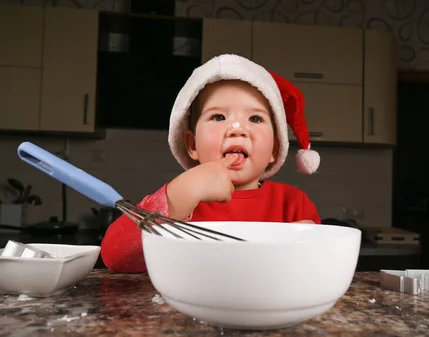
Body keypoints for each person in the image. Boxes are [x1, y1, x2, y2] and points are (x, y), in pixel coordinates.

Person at [101, 54, 322, 273]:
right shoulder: (180, 199)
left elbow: (320, 269)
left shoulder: (295, 206)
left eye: (255, 119)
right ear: (192, 144)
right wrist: (179, 195)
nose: (237, 128)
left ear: (275, 149)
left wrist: (309, 248)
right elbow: (115, 258)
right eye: (218, 117)